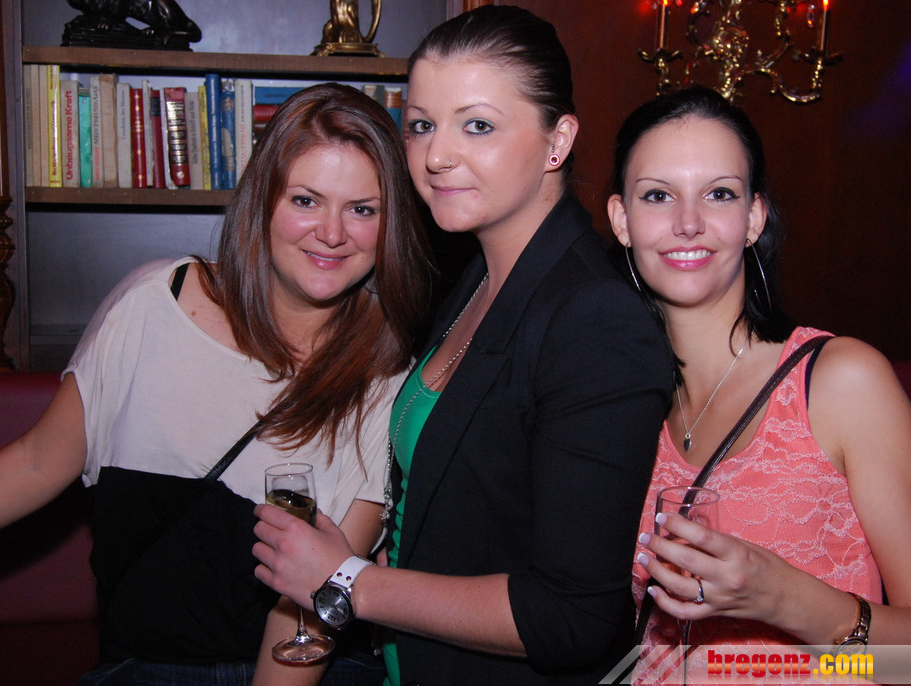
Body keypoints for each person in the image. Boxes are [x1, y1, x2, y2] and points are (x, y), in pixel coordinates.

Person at [253, 6, 675, 685]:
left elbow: (570, 617)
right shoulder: (475, 276)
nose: (436, 155)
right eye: (422, 125)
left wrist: (350, 581)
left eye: (477, 125)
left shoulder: (594, 320)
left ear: (558, 140)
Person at [0, 83, 431, 685]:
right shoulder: (155, 303)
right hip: (143, 667)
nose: (332, 233)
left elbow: (305, 613)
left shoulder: (386, 374)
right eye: (305, 200)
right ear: (262, 200)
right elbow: (38, 462)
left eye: (363, 210)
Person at [606, 86, 911, 682]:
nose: (688, 223)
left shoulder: (840, 382)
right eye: (658, 195)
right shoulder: (612, 396)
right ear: (621, 220)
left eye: (719, 194)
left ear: (753, 218)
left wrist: (781, 597)